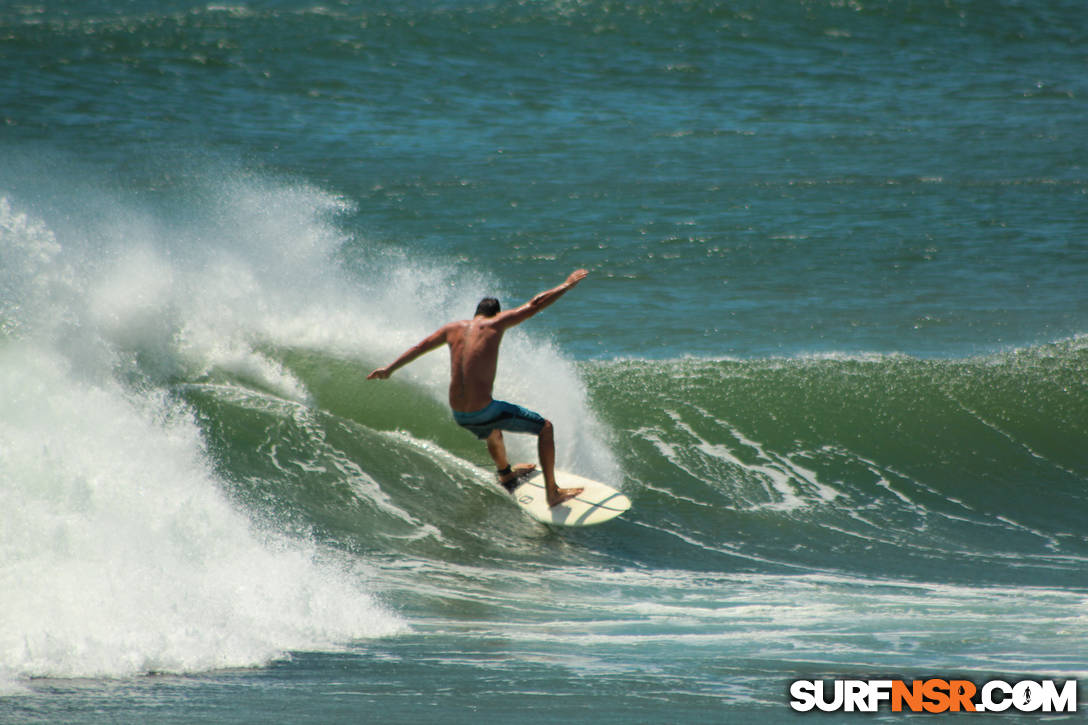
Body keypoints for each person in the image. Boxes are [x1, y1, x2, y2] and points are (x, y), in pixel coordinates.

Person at [367, 269, 588, 507]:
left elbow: (419, 347)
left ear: (475, 314)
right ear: (496, 314)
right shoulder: (496, 324)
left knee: (493, 428)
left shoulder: (451, 329)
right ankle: (552, 493)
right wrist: (566, 285)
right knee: (545, 427)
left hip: (460, 414)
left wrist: (389, 369)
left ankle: (505, 473)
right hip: (481, 411)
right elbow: (535, 304)